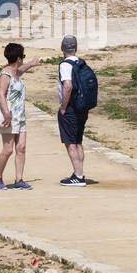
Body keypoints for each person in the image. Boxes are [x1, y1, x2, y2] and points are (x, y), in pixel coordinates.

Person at [0, 42, 34, 190]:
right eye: (22, 56)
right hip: (9, 117)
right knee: (8, 149)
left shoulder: (16, 71)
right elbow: (1, 94)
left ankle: (19, 179)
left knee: (21, 147)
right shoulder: (5, 74)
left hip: (20, 116)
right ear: (18, 58)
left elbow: (21, 70)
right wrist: (6, 114)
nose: (23, 59)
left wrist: (31, 64)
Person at [56, 35, 93, 186]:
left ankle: (78, 176)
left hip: (71, 107)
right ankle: (80, 172)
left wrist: (63, 107)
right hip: (82, 107)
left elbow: (68, 86)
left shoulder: (65, 65)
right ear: (76, 48)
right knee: (78, 141)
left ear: (62, 48)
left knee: (70, 142)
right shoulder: (81, 63)